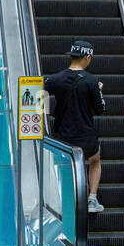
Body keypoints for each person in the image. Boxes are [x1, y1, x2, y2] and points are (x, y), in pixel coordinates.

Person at [43, 41, 106, 211]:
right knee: (95, 160)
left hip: (63, 134)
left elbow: (36, 93)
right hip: (86, 133)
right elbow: (100, 109)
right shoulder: (92, 81)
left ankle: (67, 202)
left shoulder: (56, 79)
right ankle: (92, 199)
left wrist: (48, 112)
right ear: (87, 57)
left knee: (66, 166)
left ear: (71, 56)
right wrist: (98, 90)